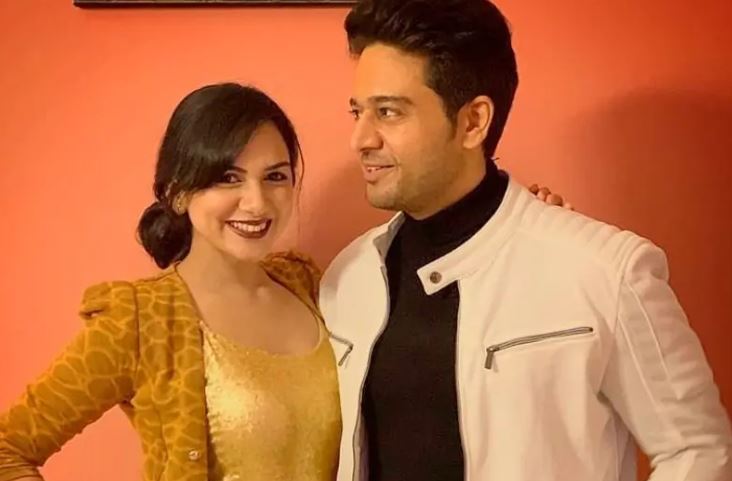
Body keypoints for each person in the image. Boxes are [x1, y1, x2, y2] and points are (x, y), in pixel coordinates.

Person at [320, 1, 732, 480]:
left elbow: (699, 450)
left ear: (473, 122)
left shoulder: (606, 272)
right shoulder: (347, 277)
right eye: (358, 112)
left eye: (388, 112)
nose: (360, 139)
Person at [0, 83, 342, 481]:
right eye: (228, 178)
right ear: (178, 193)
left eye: (275, 176)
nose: (257, 202)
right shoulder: (140, 322)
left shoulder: (308, 285)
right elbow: (8, 449)